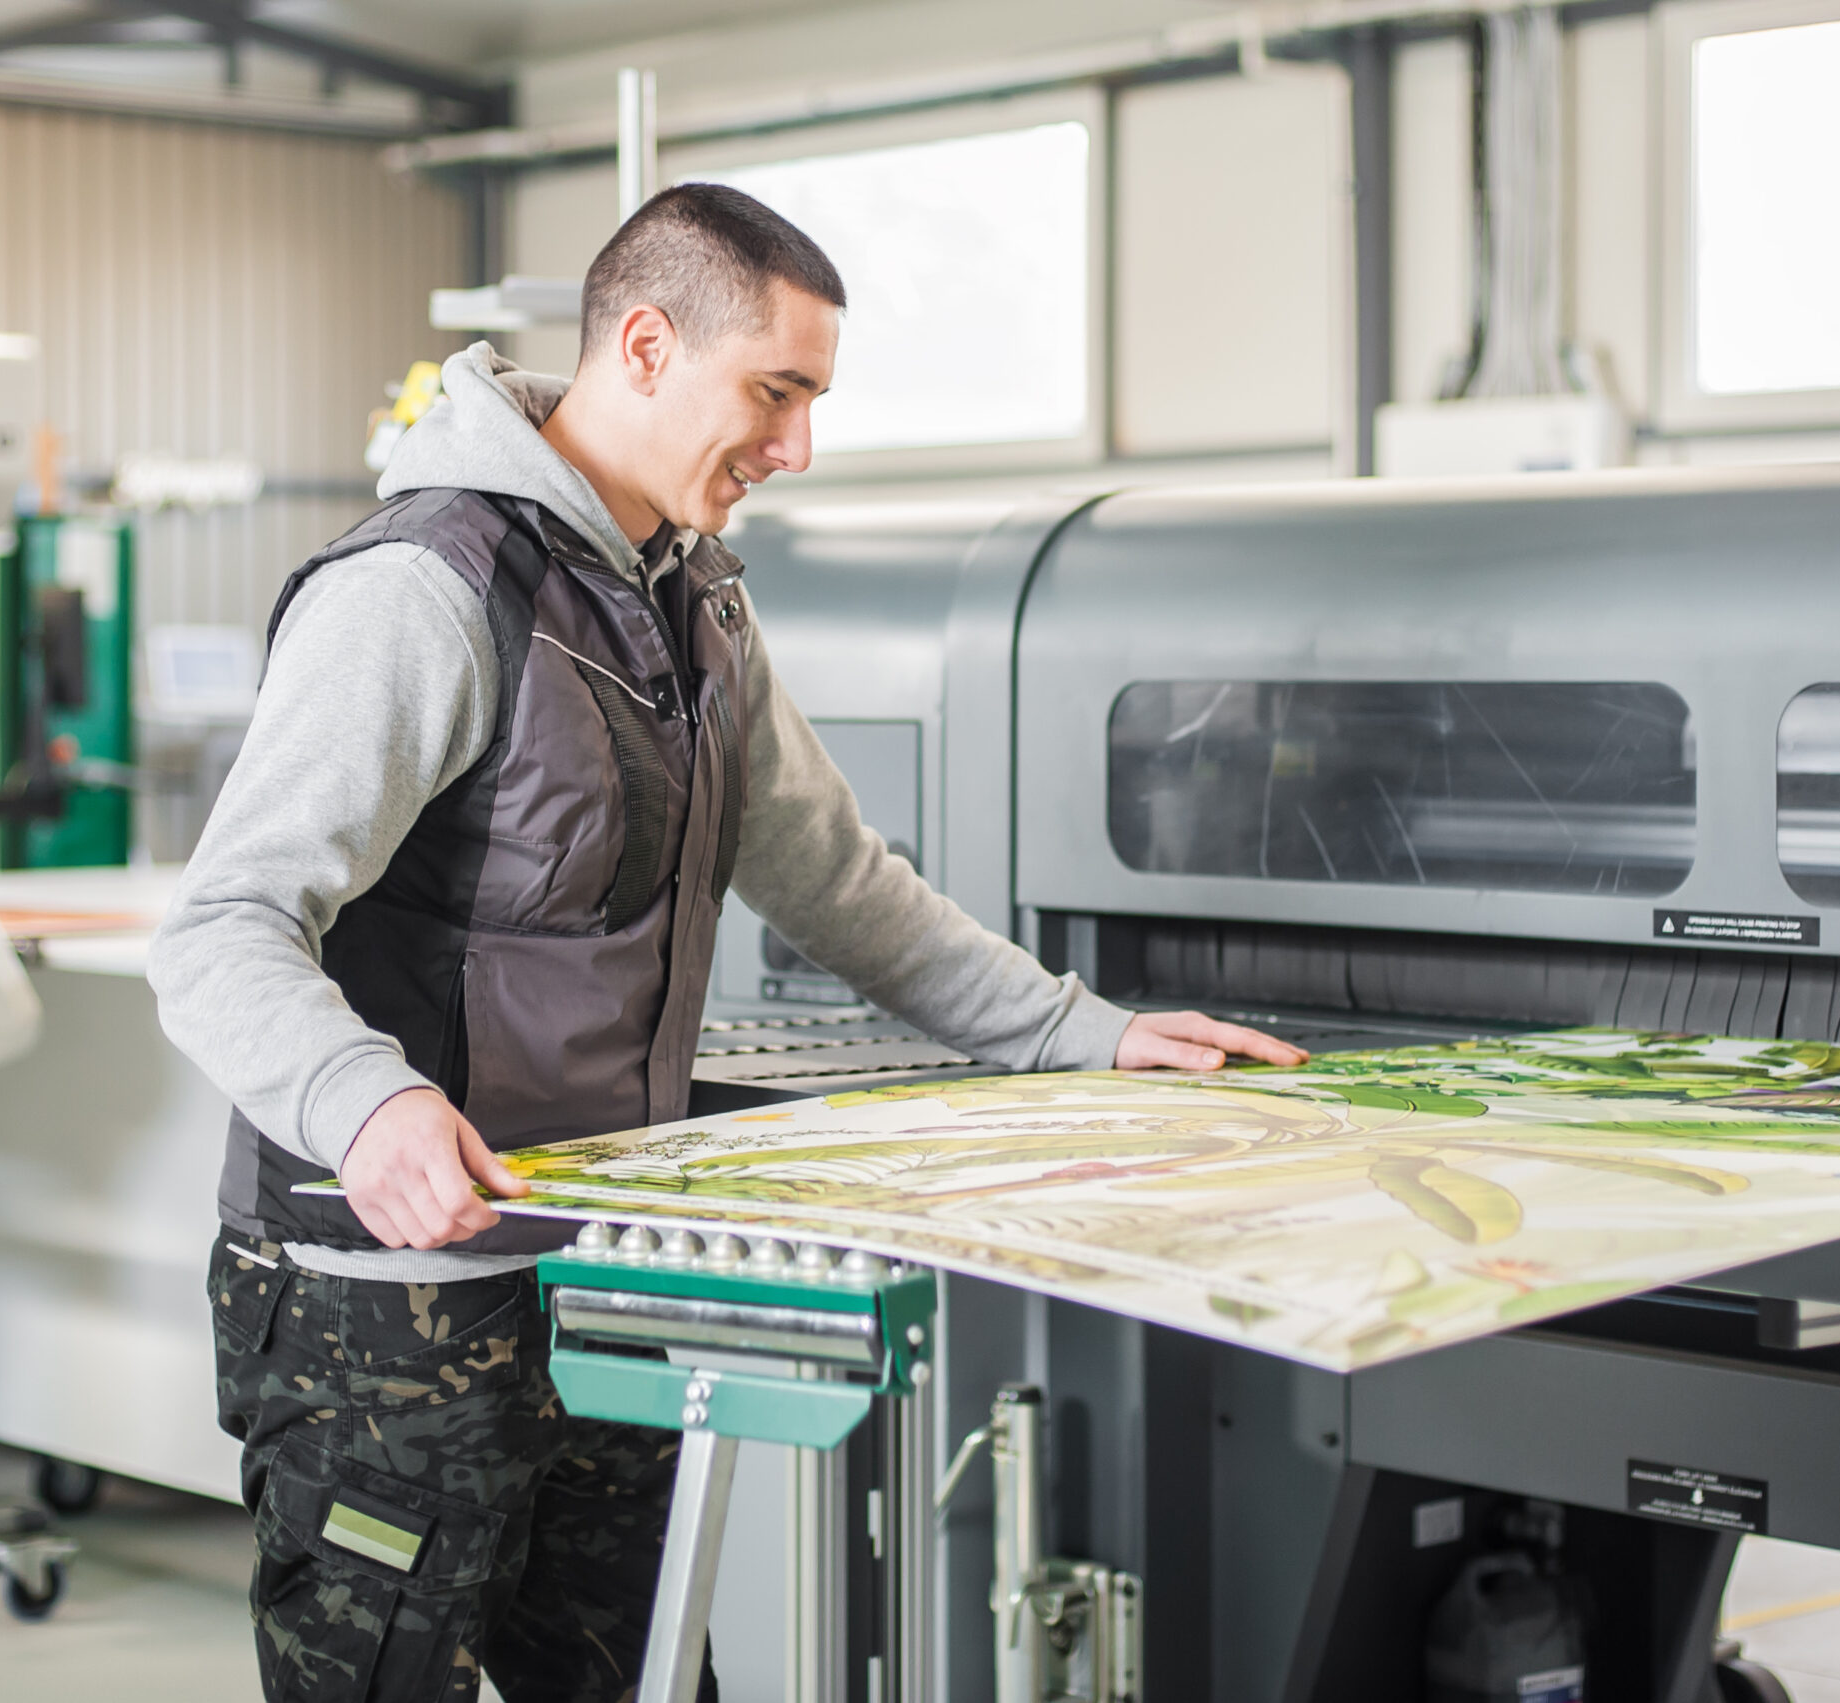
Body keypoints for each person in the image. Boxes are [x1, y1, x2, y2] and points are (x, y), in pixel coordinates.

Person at [149, 183, 1302, 1703]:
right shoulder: (429, 589)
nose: (796, 447)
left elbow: (839, 881)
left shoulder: (694, 607)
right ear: (645, 346)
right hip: (385, 1305)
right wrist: (366, 1105)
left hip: (591, 1264)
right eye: (776, 393)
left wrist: (1087, 1033)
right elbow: (221, 929)